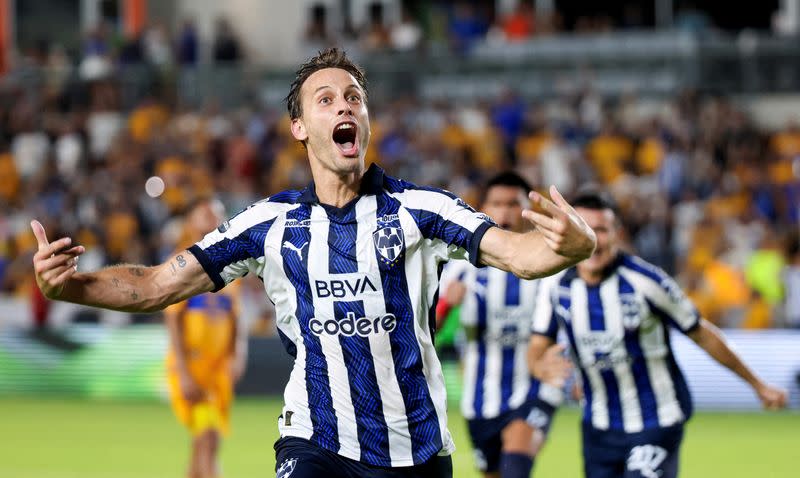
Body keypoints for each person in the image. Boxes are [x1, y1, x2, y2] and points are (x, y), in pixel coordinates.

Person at [30, 47, 597, 478]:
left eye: (353, 97)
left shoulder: (421, 210)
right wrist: (68, 287)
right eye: (324, 100)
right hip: (315, 440)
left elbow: (519, 254)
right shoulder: (267, 224)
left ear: (366, 121)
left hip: (417, 450)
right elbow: (155, 285)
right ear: (300, 128)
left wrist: (573, 247)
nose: (344, 105)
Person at [528, 187, 788, 478]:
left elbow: (700, 333)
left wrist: (757, 384)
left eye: (600, 230)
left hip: (656, 420)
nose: (593, 241)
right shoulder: (555, 285)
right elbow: (538, 345)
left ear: (618, 233)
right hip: (598, 427)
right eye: (584, 230)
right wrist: (540, 366)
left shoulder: (646, 281)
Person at [437, 172, 563, 478]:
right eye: (497, 203)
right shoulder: (458, 267)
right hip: (480, 400)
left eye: (513, 204)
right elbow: (430, 333)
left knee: (515, 469)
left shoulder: (551, 267)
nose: (505, 212)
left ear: (528, 212)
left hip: (534, 388)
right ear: (483, 208)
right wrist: (446, 305)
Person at [165, 197, 248, 478]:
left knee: (204, 443)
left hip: (218, 371)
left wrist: (238, 354)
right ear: (190, 221)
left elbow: (236, 319)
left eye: (218, 214)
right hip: (194, 367)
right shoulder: (181, 264)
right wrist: (183, 371)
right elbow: (173, 320)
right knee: (209, 438)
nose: (214, 219)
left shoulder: (230, 266)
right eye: (206, 214)